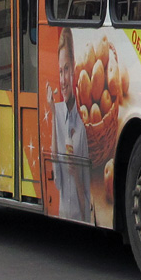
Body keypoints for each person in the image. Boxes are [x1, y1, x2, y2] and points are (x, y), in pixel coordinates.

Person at [53, 27, 91, 222]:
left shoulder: (82, 130)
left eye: (66, 69)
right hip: (61, 213)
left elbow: (86, 192)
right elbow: (55, 178)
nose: (62, 80)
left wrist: (75, 173)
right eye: (60, 71)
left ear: (74, 68)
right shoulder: (57, 116)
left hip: (78, 216)